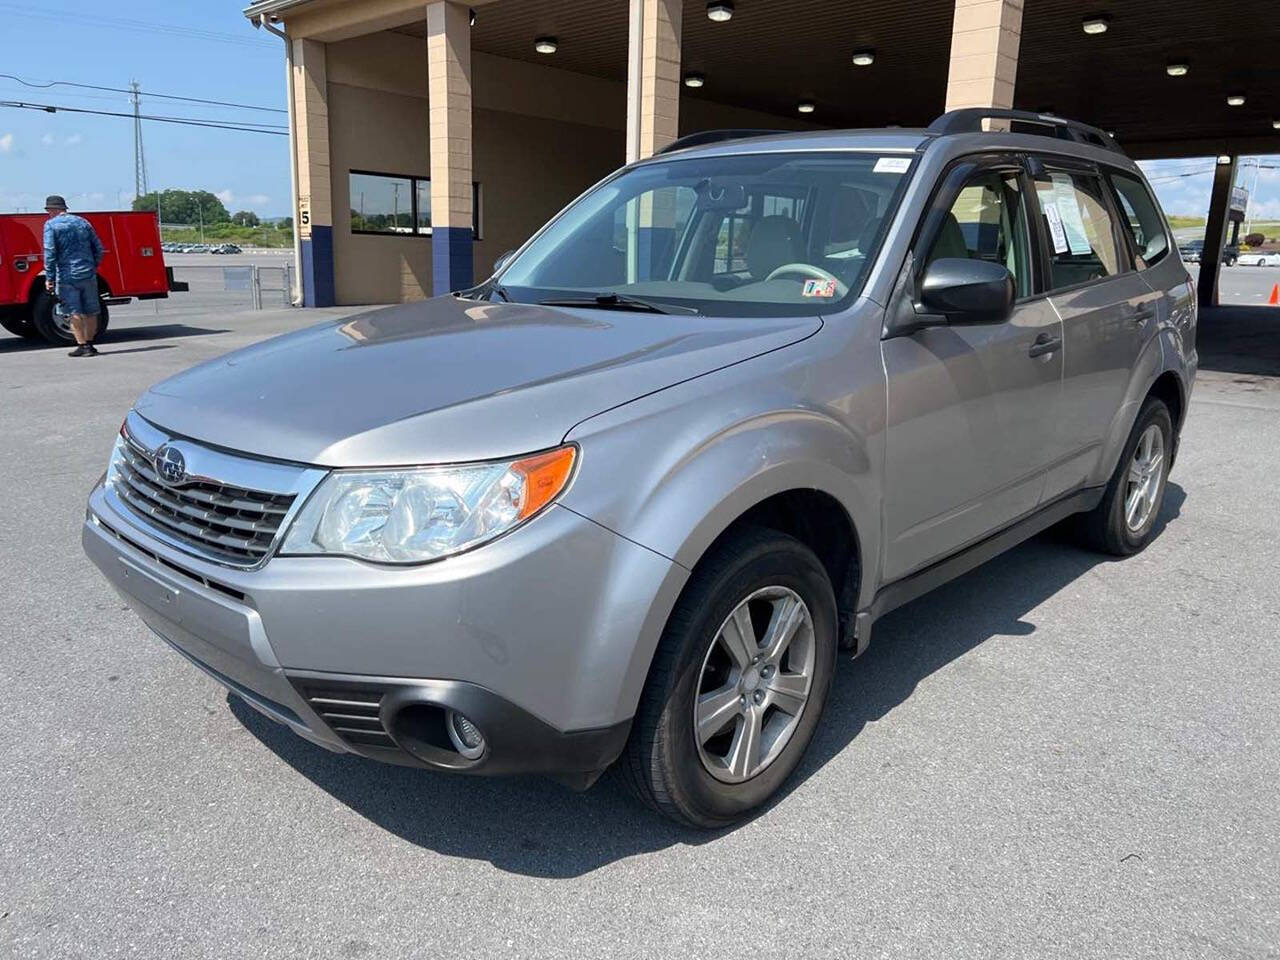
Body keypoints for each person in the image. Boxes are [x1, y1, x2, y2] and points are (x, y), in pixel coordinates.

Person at [42, 194, 104, 358]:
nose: (48, 213)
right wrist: (92, 266)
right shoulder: (83, 222)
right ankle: (91, 344)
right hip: (88, 273)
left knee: (73, 311)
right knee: (91, 310)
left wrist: (49, 278)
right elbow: (98, 247)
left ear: (53, 210)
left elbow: (50, 253)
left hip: (67, 275)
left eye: (49, 210)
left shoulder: (51, 226)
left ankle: (82, 345)